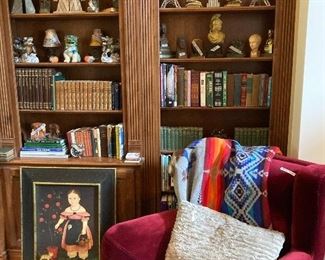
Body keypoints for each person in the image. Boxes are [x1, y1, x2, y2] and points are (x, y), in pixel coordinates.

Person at [54, 189, 93, 259]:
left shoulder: (82, 209)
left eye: (74, 198)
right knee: (70, 239)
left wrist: (84, 229)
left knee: (81, 239)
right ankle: (72, 252)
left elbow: (85, 220)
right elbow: (62, 218)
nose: (72, 200)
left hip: (80, 225)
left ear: (79, 199)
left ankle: (82, 253)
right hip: (70, 226)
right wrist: (58, 224)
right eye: (70, 198)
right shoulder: (67, 209)